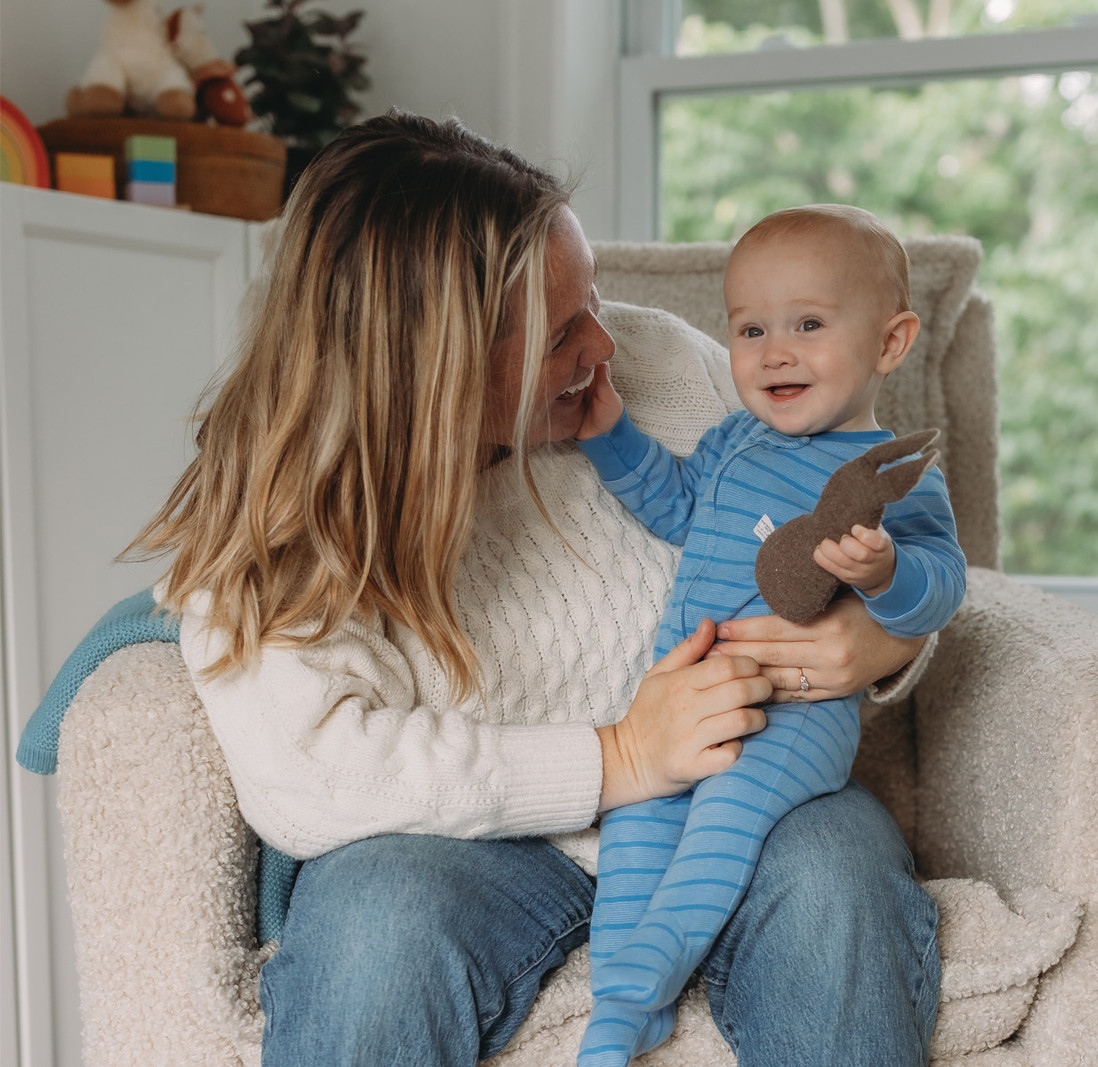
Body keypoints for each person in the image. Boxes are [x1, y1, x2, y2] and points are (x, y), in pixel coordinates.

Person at [124, 112, 941, 1066]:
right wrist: (621, 756)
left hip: (754, 796)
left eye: (593, 296)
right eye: (560, 333)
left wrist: (882, 642)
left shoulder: (667, 367)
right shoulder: (286, 513)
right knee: (372, 927)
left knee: (838, 887)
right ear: (435, 367)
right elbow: (310, 773)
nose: (604, 342)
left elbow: (884, 498)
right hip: (467, 851)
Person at [573, 204, 966, 1064]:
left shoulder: (889, 476)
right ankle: (619, 1006)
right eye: (750, 328)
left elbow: (944, 587)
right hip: (682, 705)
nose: (773, 351)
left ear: (891, 342)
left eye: (809, 325)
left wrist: (883, 575)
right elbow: (673, 504)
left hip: (792, 718)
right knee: (637, 832)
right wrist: (609, 437)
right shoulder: (735, 440)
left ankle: (644, 985)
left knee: (720, 827)